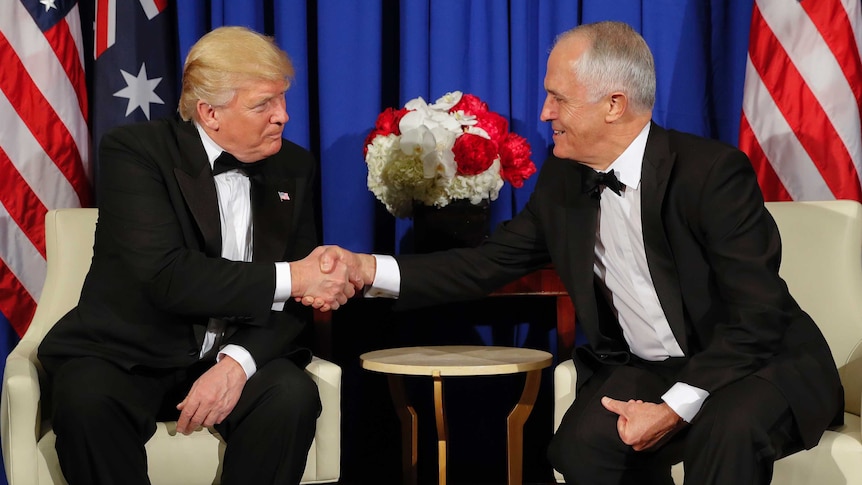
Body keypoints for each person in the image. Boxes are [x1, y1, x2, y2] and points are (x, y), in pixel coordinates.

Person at [318, 21, 844, 484]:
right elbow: (485, 265)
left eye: (558, 98)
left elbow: (758, 317)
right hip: (655, 364)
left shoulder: (711, 173)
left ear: (614, 104)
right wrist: (367, 270)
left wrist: (674, 406)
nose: (545, 112)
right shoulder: (564, 179)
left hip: (759, 361)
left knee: (726, 431)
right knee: (578, 449)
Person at [37, 26, 358, 485]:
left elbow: (294, 308)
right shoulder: (137, 152)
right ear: (209, 113)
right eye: (263, 104)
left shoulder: (294, 167)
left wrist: (237, 363)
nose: (283, 116)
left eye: (283, 100)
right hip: (127, 355)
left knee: (291, 396)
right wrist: (298, 278)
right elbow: (166, 276)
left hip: (230, 353)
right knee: (86, 401)